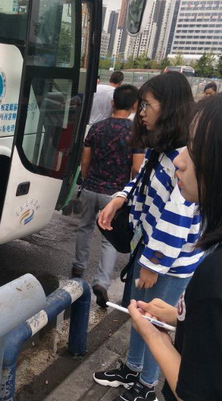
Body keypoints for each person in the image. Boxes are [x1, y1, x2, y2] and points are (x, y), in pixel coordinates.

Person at [93, 72, 203, 401]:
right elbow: (139, 179)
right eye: (140, 105)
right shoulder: (162, 149)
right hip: (150, 248)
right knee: (139, 312)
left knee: (155, 321)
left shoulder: (182, 157)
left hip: (169, 262)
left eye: (147, 105)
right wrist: (119, 198)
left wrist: (152, 264)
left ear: (169, 108)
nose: (140, 112)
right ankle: (133, 368)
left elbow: (177, 216)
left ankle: (147, 385)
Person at [128, 94, 222, 401]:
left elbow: (195, 392)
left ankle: (145, 385)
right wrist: (181, 319)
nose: (180, 160)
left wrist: (154, 336)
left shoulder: (214, 277)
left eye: (194, 149)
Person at [71, 84, 143, 308]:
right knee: (109, 238)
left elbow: (85, 160)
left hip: (91, 187)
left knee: (84, 227)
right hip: (115, 195)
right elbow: (137, 168)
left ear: (112, 103)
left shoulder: (97, 128)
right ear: (134, 106)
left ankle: (78, 268)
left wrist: (87, 180)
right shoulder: (135, 133)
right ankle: (101, 282)